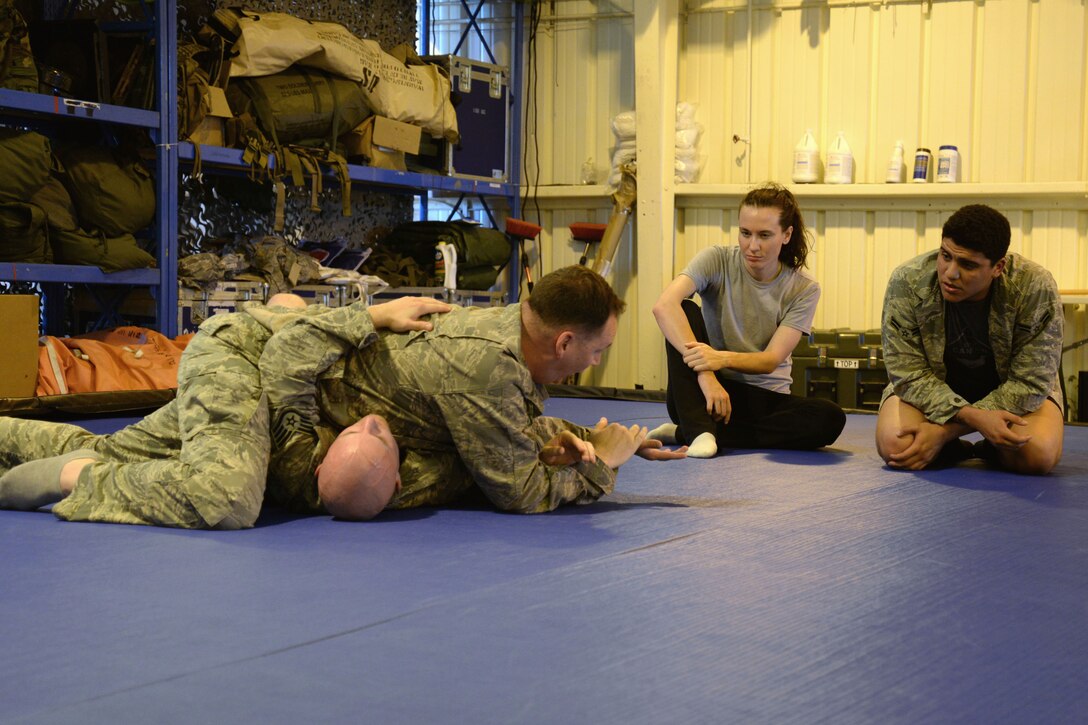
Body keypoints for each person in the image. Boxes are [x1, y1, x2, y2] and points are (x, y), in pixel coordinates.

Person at [1, 267, 681, 528]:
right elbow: (520, 490)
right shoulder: (490, 364)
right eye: (596, 352)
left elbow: (509, 427)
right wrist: (602, 467)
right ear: (563, 342)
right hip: (252, 359)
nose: (595, 365)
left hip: (279, 382)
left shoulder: (510, 340)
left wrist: (598, 440)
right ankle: (80, 483)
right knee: (226, 495)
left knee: (118, 444)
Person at [649, 182, 846, 458]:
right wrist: (706, 373)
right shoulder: (716, 259)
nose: (752, 246)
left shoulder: (804, 288)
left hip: (762, 399)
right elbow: (663, 306)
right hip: (703, 393)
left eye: (765, 235)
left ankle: (688, 432)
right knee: (683, 308)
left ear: (786, 235)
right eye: (745, 233)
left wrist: (721, 358)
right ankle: (701, 429)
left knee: (829, 418)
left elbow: (770, 360)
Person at [875, 204, 1064, 474]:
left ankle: (978, 447)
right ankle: (959, 448)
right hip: (937, 385)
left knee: (1037, 455)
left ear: (998, 267)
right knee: (897, 446)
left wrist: (943, 432)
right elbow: (907, 373)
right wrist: (975, 418)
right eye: (945, 256)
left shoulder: (1034, 287)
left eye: (968, 265)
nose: (951, 273)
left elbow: (1030, 383)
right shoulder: (907, 281)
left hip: (1010, 388)